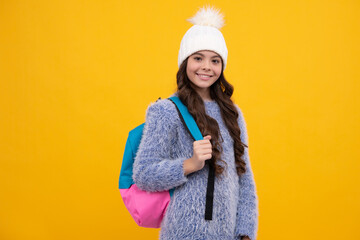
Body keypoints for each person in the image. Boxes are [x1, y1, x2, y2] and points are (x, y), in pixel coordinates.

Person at [133, 6, 258, 240]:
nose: (206, 67)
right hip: (181, 233)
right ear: (185, 62)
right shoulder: (165, 111)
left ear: (222, 66)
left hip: (227, 234)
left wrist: (246, 233)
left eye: (215, 60)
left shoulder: (233, 114)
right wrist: (190, 164)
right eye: (198, 58)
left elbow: (245, 178)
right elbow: (143, 174)